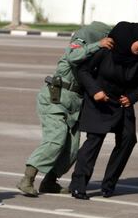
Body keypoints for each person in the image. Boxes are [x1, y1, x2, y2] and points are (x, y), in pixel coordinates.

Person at [16, 22, 113, 197]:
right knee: (56, 139)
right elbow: (72, 56)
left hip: (74, 104)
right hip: (55, 99)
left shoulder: (95, 55)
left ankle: (50, 181)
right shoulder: (79, 44)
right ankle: (27, 179)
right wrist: (97, 44)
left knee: (72, 148)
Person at [69, 21, 138, 200]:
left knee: (128, 140)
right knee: (94, 141)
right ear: (128, 40)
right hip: (100, 103)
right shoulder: (105, 53)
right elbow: (84, 71)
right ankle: (78, 185)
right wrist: (95, 91)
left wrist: (131, 97)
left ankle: (109, 184)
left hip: (122, 104)